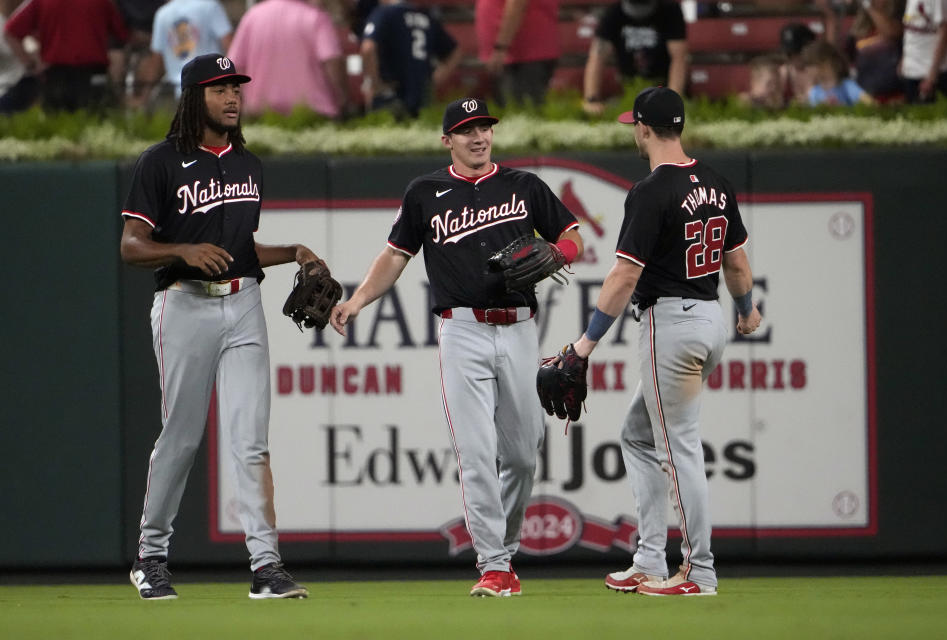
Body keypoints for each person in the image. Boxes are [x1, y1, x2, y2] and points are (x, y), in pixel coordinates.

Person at [330, 98, 583, 597]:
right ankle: (493, 564)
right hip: (461, 329)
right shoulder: (426, 193)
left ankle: (503, 550)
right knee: (474, 451)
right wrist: (357, 300)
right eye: (466, 130)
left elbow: (571, 234)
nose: (478, 136)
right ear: (447, 139)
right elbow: (395, 256)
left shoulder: (524, 185)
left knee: (525, 454)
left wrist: (557, 251)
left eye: (484, 127)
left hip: (518, 327)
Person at [120, 53, 316, 600]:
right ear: (193, 96)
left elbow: (241, 248)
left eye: (237, 88)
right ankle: (151, 557)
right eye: (220, 88)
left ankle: (266, 566)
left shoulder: (247, 163)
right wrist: (181, 248)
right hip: (184, 304)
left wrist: (295, 252)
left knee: (251, 442)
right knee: (180, 438)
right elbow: (131, 246)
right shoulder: (159, 161)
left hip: (244, 303)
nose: (232, 97)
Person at [554, 86, 761, 596]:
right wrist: (747, 310)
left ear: (644, 128)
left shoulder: (651, 190)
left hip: (670, 322)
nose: (633, 130)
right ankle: (649, 558)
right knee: (639, 436)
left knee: (677, 448)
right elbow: (735, 263)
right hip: (710, 318)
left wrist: (585, 344)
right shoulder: (715, 182)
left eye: (634, 124)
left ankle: (698, 571)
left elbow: (624, 277)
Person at [227, 0, 351, 118]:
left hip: (260, 113)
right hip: (313, 113)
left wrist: (246, 100)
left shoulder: (252, 17)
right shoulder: (315, 18)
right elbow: (332, 62)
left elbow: (235, 66)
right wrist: (342, 97)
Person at [3, 0, 128, 111]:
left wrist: (31, 64)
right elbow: (122, 36)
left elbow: (10, 32)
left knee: (57, 127)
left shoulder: (40, 2)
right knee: (96, 126)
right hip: (92, 75)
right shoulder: (103, 2)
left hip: (56, 75)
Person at [582, 0, 688, 116]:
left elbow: (678, 58)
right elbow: (597, 57)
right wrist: (591, 99)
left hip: (663, 86)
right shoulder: (614, 13)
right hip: (629, 89)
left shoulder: (670, 10)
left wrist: (672, 101)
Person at [360, 0, 461, 118]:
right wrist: (434, 80)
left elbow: (368, 48)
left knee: (389, 129)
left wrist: (373, 84)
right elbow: (455, 52)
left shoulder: (384, 12)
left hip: (391, 91)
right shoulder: (425, 16)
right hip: (421, 93)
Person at [138, 0, 234, 108]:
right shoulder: (210, 6)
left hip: (180, 91)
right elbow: (231, 47)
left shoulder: (162, 14)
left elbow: (156, 62)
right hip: (213, 87)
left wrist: (143, 98)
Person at [476, 0, 560, 106]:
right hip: (515, 55)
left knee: (520, 112)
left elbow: (517, 4)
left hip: (524, 55)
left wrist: (501, 47)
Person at [845, 0, 905, 102]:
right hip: (866, 93)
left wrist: (869, 6)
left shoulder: (897, 17)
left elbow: (891, 32)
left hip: (895, 92)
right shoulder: (860, 26)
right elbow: (848, 55)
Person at [901, 0, 947, 103]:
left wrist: (931, 77)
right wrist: (904, 60)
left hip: (932, 74)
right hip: (912, 71)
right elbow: (911, 31)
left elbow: (944, 34)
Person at [800, 39, 873, 105]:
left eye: (810, 64)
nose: (807, 69)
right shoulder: (815, 92)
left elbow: (868, 101)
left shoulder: (846, 86)